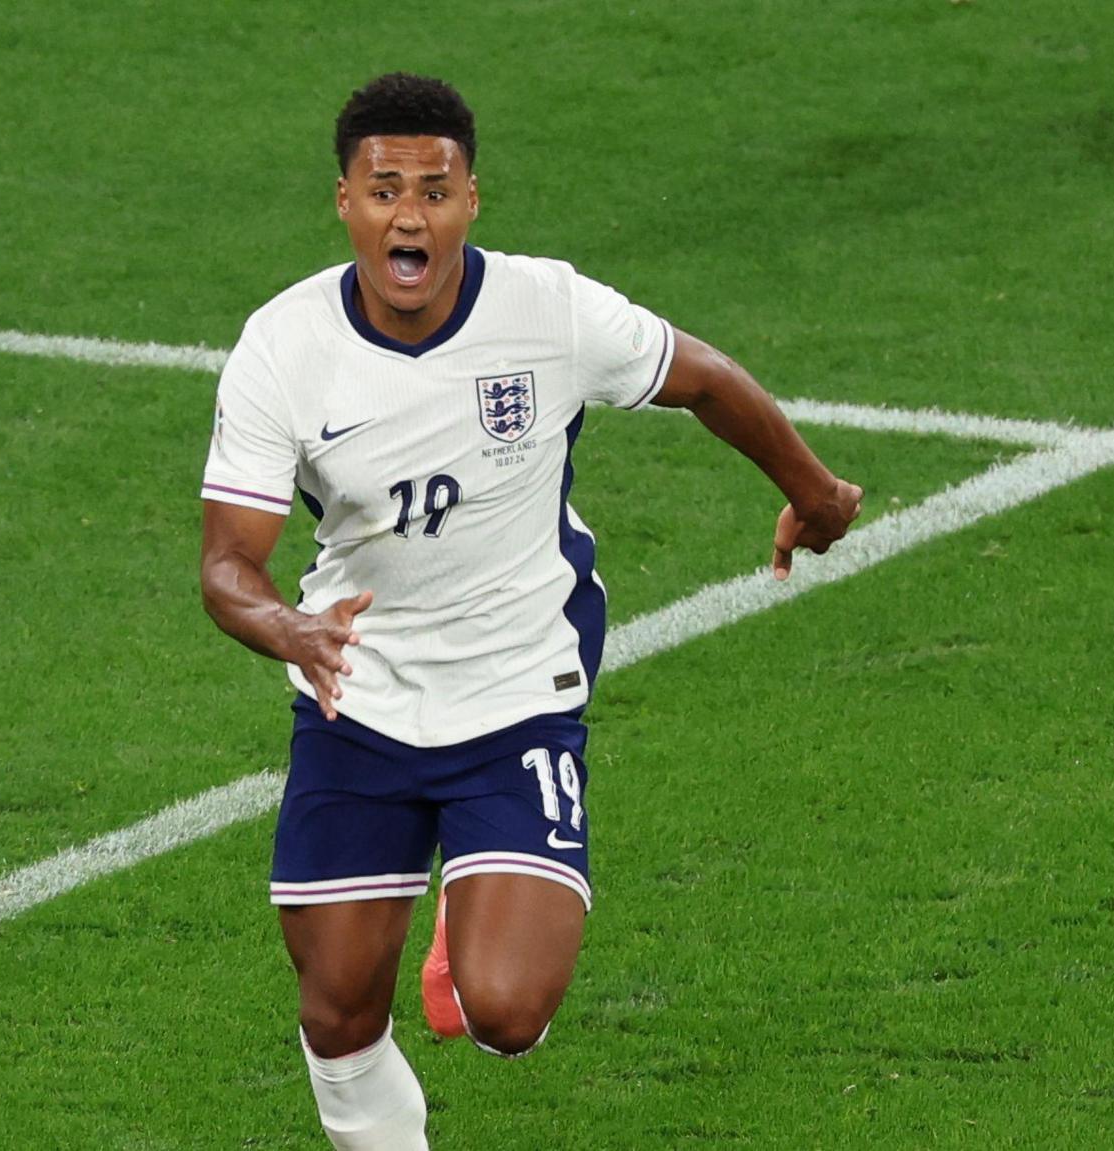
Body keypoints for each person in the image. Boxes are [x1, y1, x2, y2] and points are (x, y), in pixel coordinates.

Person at [198, 73, 863, 1149]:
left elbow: (703, 378)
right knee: (336, 1014)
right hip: (356, 697)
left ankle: (474, 900)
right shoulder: (282, 345)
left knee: (504, 1014)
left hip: (516, 684)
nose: (407, 214)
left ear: (471, 201)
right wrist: (284, 627)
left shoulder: (546, 309)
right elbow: (227, 564)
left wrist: (815, 492)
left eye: (433, 189)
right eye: (382, 190)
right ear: (343, 204)